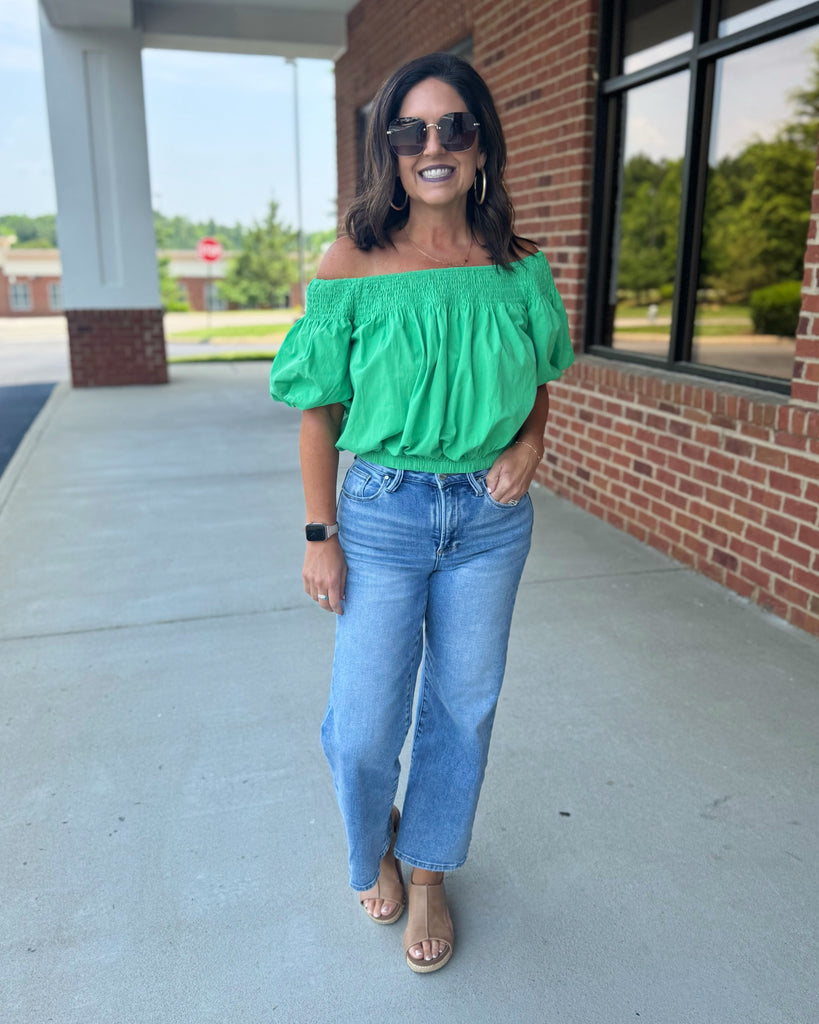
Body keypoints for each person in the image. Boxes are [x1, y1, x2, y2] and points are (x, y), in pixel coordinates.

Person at [269, 51, 573, 973]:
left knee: (461, 709)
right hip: (382, 514)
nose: (431, 146)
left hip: (489, 520)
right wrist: (319, 534)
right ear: (389, 149)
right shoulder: (350, 261)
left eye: (453, 127)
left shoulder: (518, 267)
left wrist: (529, 446)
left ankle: (430, 870)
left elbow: (537, 382)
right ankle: (375, 846)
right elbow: (319, 411)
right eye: (410, 130)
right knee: (363, 725)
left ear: (481, 146)